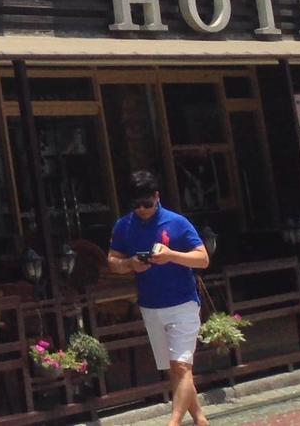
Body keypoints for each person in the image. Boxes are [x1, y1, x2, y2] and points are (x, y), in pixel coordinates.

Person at [106, 171, 211, 426]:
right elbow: (112, 262)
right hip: (151, 304)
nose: (142, 210)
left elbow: (203, 259)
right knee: (174, 369)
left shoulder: (177, 223)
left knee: (182, 366)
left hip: (183, 303)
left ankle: (172, 423)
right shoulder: (124, 225)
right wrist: (131, 263)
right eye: (136, 205)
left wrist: (172, 255)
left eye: (147, 204)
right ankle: (200, 419)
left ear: (157, 197)